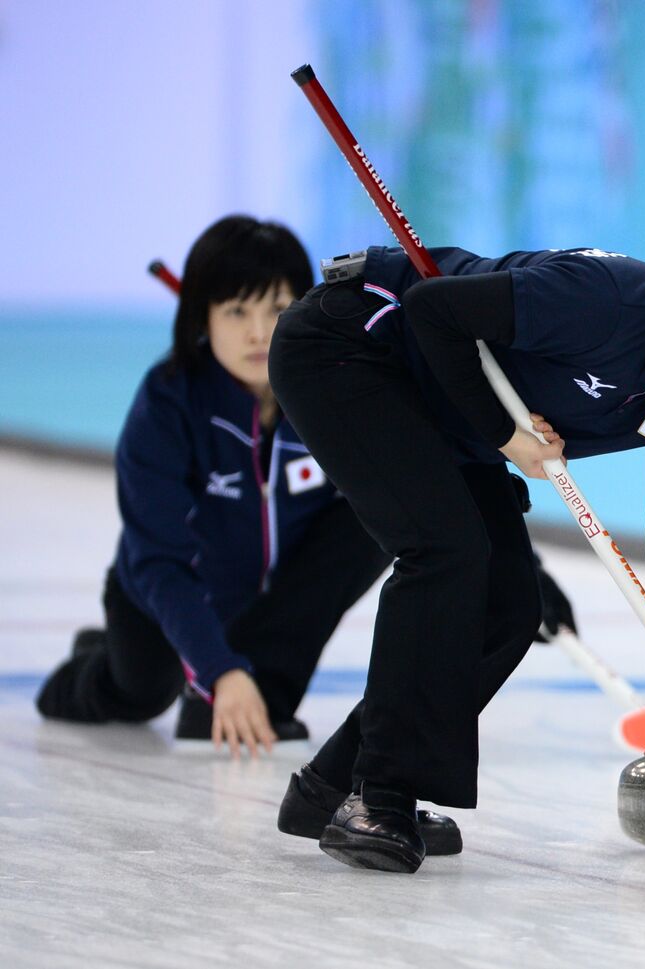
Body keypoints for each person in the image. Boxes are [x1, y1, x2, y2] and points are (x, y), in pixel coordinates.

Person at [268, 217, 645, 873]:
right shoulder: (610, 301)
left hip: (444, 405)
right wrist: (505, 435)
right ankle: (378, 799)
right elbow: (430, 309)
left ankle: (332, 787)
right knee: (446, 551)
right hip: (352, 347)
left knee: (506, 604)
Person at [35, 216, 392, 758]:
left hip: (272, 599)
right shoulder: (167, 402)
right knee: (138, 692)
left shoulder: (335, 395)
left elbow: (420, 489)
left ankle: (263, 695)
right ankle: (93, 665)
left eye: (276, 308)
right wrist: (221, 670)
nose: (257, 332)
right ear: (203, 316)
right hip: (168, 600)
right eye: (236, 311)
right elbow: (157, 560)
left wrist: (505, 568)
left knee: (379, 516)